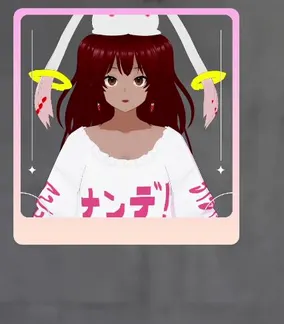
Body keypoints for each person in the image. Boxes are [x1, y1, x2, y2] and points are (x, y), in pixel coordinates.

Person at [32, 14, 217, 218]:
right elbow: (51, 216)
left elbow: (199, 216)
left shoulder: (171, 143)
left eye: (139, 80)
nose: (125, 91)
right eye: (111, 80)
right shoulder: (79, 143)